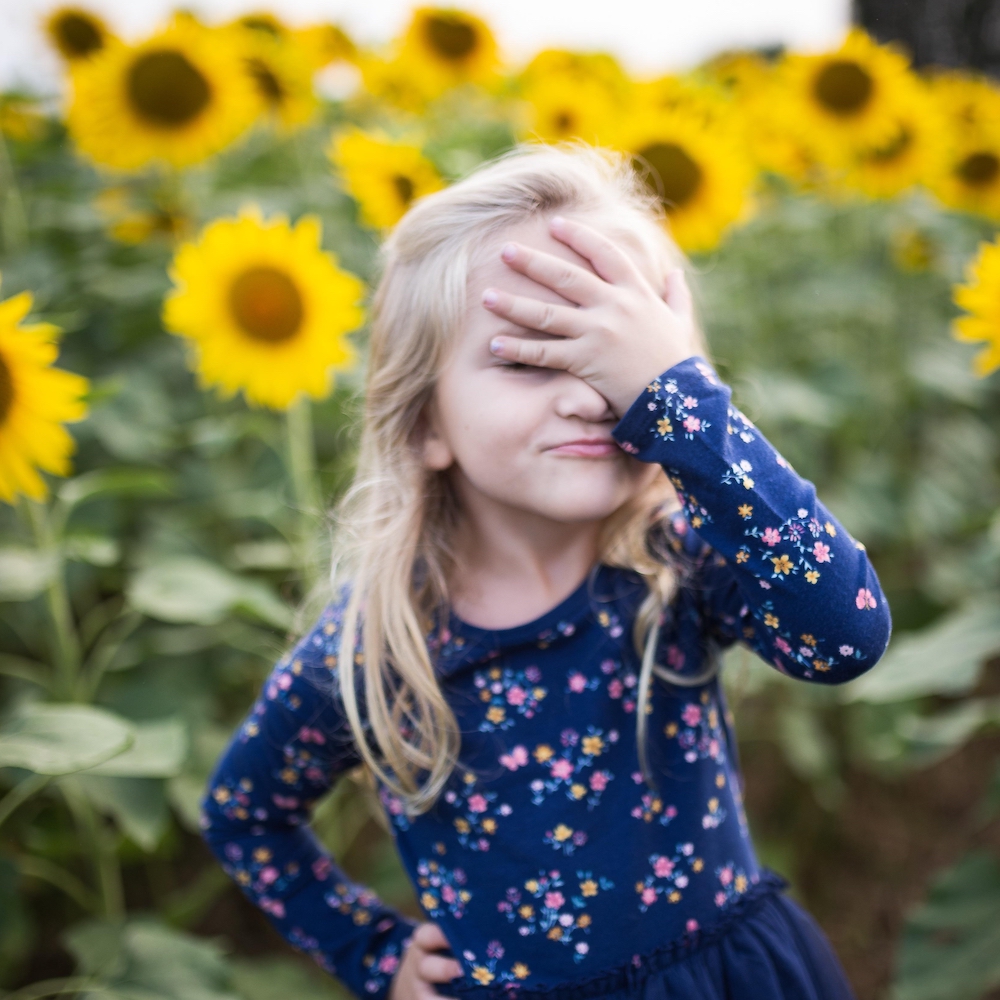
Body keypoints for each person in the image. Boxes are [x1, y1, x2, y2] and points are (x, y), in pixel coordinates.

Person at [200, 142, 891, 1000]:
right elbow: (243, 813)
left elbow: (847, 633)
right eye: (528, 360)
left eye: (620, 361)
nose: (592, 396)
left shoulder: (679, 567)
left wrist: (679, 397)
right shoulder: (382, 646)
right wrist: (372, 953)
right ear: (426, 423)